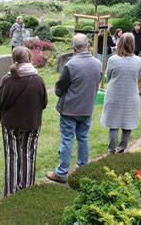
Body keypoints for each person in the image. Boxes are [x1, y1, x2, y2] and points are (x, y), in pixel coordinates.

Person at [46, 34, 102, 183]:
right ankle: (83, 168)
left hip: (70, 109)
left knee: (66, 139)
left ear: (74, 48)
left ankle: (61, 172)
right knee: (83, 138)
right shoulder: (98, 63)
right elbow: (98, 81)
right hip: (87, 108)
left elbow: (59, 89)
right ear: (88, 45)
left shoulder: (71, 65)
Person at [0, 46, 48, 196]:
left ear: (14, 60)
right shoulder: (38, 80)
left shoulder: (7, 80)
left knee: (12, 155)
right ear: (29, 59)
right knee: (29, 153)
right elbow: (44, 103)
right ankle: (26, 189)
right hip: (32, 123)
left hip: (10, 124)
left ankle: (11, 191)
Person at [100, 32, 141, 154]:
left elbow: (108, 76)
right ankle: (122, 148)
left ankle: (111, 149)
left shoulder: (113, 60)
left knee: (113, 124)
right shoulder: (138, 61)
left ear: (120, 43)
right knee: (127, 123)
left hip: (114, 94)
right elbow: (138, 76)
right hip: (131, 95)